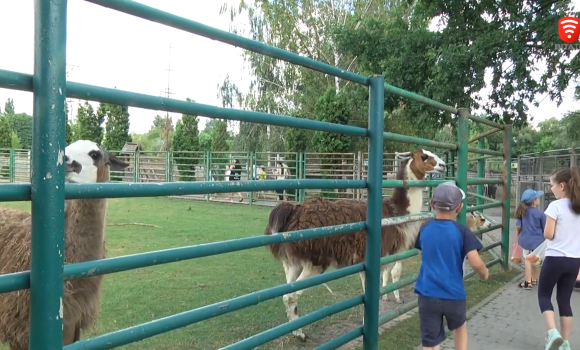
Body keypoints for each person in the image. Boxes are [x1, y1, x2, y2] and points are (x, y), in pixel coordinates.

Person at [414, 182, 488, 350]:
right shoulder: (462, 232)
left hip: (427, 294)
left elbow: (422, 253)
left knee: (430, 342)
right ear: (459, 208)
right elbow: (476, 262)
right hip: (453, 294)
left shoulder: (425, 228)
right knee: (460, 329)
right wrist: (484, 273)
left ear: (432, 204)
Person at [537, 166, 580, 350]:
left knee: (544, 294)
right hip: (574, 260)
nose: (550, 188)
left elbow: (548, 234)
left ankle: (552, 333)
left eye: (551, 185)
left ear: (562, 186)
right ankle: (566, 342)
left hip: (555, 258)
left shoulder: (555, 206)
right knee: (564, 299)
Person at [515, 188, 546, 290]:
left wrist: (519, 233)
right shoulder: (540, 213)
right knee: (535, 260)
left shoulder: (521, 212)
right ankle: (533, 280)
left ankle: (528, 282)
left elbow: (518, 226)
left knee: (527, 260)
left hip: (525, 241)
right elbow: (544, 228)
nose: (539, 199)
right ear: (534, 201)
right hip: (538, 241)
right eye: (537, 198)